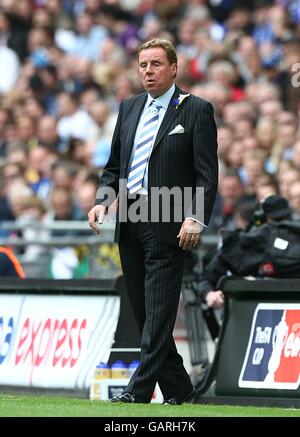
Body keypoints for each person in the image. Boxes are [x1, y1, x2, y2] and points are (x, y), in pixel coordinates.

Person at [88, 38, 218, 404]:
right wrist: (102, 201)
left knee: (158, 313)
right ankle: (181, 390)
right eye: (143, 65)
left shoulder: (196, 110)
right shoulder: (128, 108)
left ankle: (138, 391)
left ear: (174, 68)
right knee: (147, 317)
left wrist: (194, 216)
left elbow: (207, 174)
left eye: (156, 64)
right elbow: (114, 166)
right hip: (129, 217)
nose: (148, 71)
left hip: (169, 219)